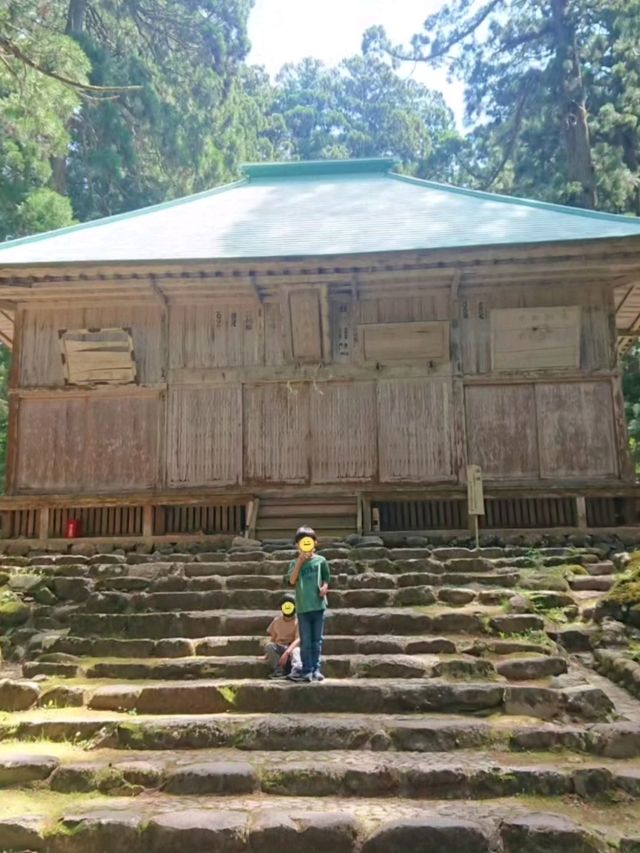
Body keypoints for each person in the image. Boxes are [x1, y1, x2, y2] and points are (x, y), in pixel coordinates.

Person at [286, 526, 330, 683]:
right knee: (305, 640)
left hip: (318, 606)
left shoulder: (321, 561)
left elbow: (326, 578)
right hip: (303, 608)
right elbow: (291, 580)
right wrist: (299, 562)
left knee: (317, 640)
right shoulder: (294, 562)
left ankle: (316, 669)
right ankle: (307, 670)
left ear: (315, 543)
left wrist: (325, 587)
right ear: (297, 545)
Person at [264, 594, 302, 679]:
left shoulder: (298, 621)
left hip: (291, 648)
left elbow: (298, 639)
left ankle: (297, 671)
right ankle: (279, 670)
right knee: (269, 646)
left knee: (297, 650)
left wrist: (287, 652)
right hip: (279, 648)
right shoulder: (276, 621)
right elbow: (273, 639)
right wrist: (267, 654)